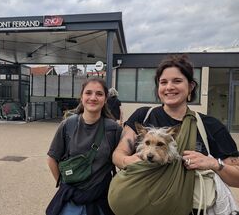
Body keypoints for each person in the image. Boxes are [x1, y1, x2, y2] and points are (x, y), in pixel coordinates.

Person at [111, 55, 239, 214]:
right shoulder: (143, 116)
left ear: (191, 86)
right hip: (141, 207)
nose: (169, 87)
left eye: (177, 81)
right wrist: (128, 160)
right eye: (163, 82)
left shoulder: (210, 126)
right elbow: (118, 154)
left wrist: (213, 163)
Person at [46, 77, 122, 215]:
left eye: (99, 94)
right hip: (71, 198)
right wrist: (63, 185)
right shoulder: (67, 125)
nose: (93, 97)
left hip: (100, 198)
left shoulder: (114, 129)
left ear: (105, 99)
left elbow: (123, 159)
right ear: (81, 97)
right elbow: (52, 158)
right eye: (88, 93)